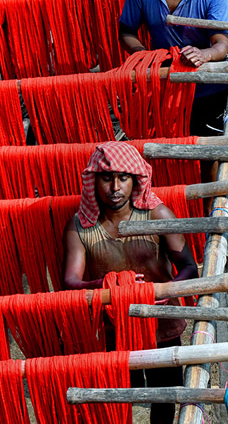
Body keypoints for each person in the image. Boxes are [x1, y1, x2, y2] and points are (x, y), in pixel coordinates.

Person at [62, 142, 199, 424]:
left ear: (136, 179)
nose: (115, 187)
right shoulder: (80, 227)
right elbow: (70, 281)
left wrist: (161, 293)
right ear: (93, 181)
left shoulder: (156, 215)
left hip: (162, 324)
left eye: (123, 178)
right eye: (106, 178)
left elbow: (188, 266)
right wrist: (107, 285)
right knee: (119, 399)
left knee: (164, 396)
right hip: (115, 327)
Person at [119, 0, 228, 138]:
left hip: (208, 87)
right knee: (168, 150)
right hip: (163, 84)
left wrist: (203, 54)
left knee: (208, 155)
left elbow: (222, 44)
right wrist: (145, 57)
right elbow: (126, 31)